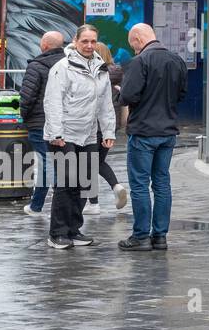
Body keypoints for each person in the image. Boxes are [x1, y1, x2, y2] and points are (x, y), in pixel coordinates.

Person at [42, 25, 115, 249]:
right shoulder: (61, 67)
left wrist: (109, 130)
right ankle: (58, 233)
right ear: (75, 41)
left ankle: (74, 229)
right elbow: (52, 101)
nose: (89, 45)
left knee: (84, 184)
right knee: (66, 183)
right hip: (64, 135)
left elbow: (105, 103)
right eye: (85, 41)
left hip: (89, 134)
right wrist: (56, 133)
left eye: (93, 41)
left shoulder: (101, 68)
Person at [118, 23, 188, 252]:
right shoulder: (176, 60)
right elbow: (181, 93)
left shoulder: (140, 61)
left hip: (143, 132)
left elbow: (128, 96)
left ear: (138, 39)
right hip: (168, 131)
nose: (134, 50)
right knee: (162, 183)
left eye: (133, 46)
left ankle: (140, 236)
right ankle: (160, 236)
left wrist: (122, 92)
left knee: (139, 185)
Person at [18, 30, 65, 217]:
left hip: (40, 122)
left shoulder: (36, 66)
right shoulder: (68, 64)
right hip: (63, 123)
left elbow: (27, 97)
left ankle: (37, 206)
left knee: (47, 164)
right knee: (60, 163)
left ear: (44, 45)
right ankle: (60, 205)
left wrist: (24, 116)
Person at [85, 44, 129, 213]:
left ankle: (94, 203)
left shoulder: (95, 73)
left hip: (93, 125)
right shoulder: (118, 73)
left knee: (89, 163)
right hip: (111, 126)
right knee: (97, 161)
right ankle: (115, 187)